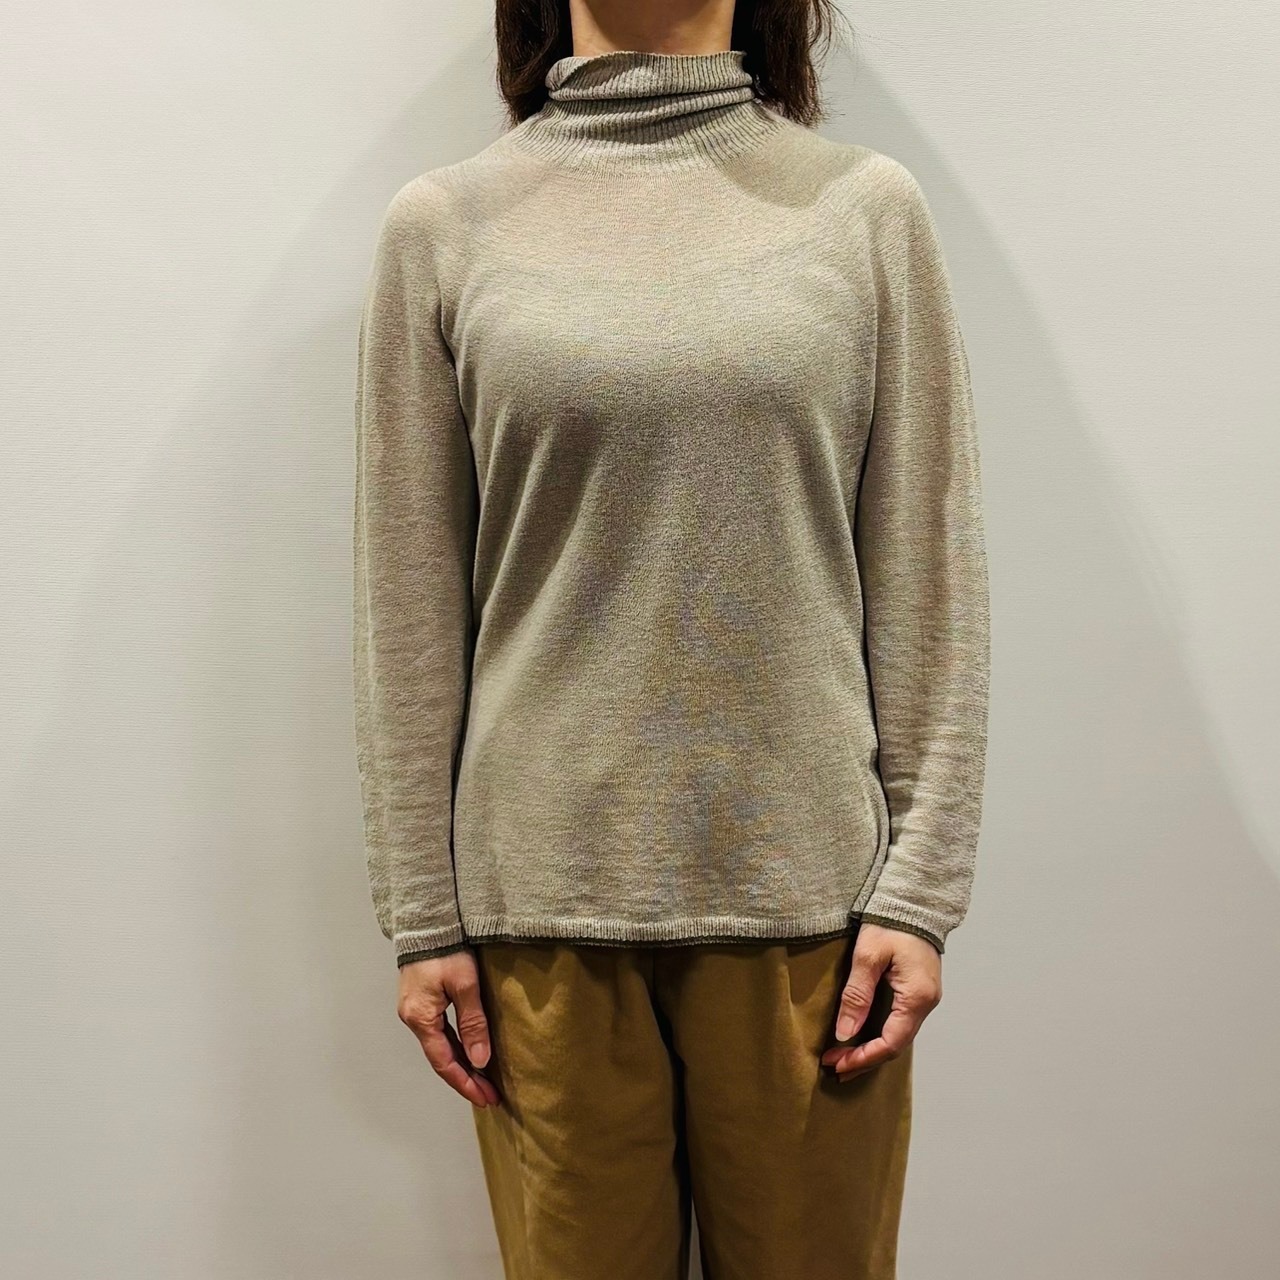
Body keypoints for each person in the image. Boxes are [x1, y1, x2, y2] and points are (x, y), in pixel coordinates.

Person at [352, 0, 990, 1275]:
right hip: (541, 911)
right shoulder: (444, 225)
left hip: (812, 911)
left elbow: (925, 566)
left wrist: (921, 890)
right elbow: (407, 595)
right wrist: (422, 915)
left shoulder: (862, 212)